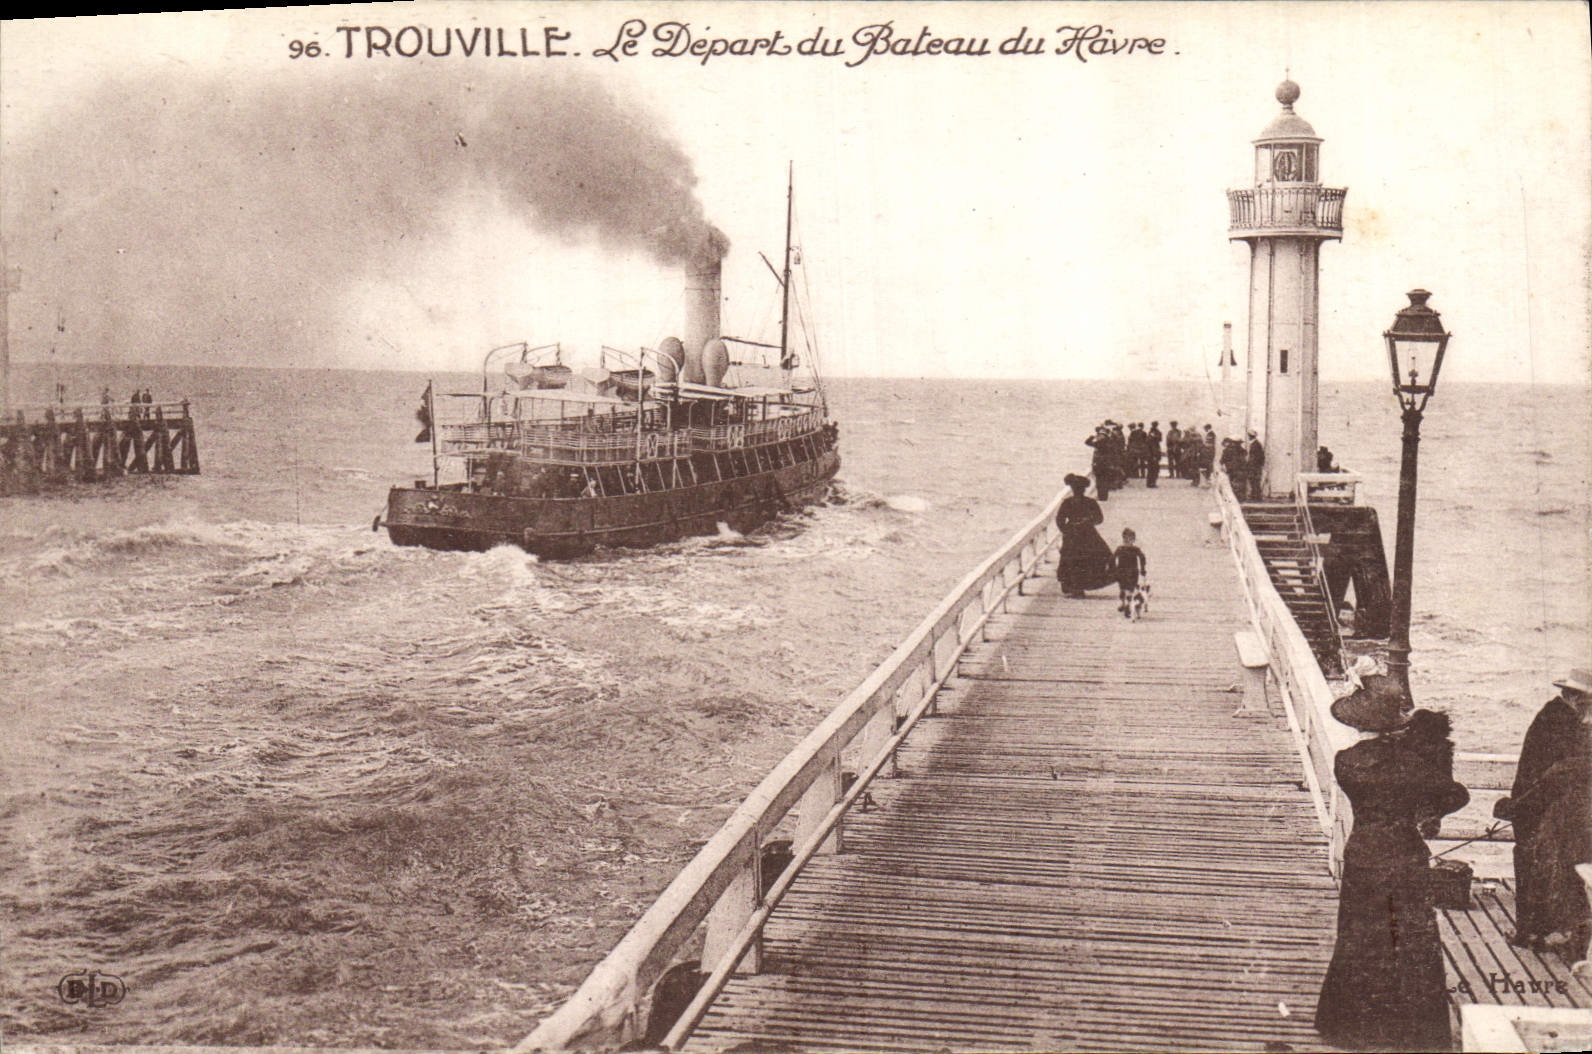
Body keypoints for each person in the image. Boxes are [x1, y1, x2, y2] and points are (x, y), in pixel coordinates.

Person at [1315, 675, 1469, 1052]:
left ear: (1357, 723)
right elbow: (1456, 795)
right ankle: (1414, 1031)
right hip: (1404, 852)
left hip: (1364, 851)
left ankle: (1351, 1026)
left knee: (1360, 934)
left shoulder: (1345, 762)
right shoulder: (1411, 763)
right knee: (1412, 938)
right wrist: (1423, 811)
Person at [1493, 668, 1592, 953]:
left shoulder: (1569, 717)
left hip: (1555, 807)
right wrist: (1519, 808)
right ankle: (1530, 932)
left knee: (1554, 869)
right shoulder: (1556, 719)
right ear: (1573, 696)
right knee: (1534, 866)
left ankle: (1554, 931)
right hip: (1537, 805)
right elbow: (1550, 773)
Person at [1055, 473, 1114, 598]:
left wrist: (1068, 529)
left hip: (1078, 535)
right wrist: (1084, 523)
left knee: (1076, 561)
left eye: (1078, 489)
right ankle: (1077, 587)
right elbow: (1099, 519)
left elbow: (1060, 520)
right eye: (1076, 489)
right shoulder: (1088, 502)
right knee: (1083, 560)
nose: (1077, 492)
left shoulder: (1069, 502)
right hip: (1084, 535)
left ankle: (1076, 587)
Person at [1112, 528, 1147, 620]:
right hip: (1125, 572)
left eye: (1131, 538)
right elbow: (1112, 559)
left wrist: (1143, 568)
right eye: (1127, 538)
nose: (1128, 541)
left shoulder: (1124, 549)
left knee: (1128, 589)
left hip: (1129, 572)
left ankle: (1127, 604)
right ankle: (1125, 603)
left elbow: (1112, 559)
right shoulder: (1124, 549)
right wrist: (1143, 569)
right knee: (1125, 589)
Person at [1245, 430, 1266, 501]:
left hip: (1254, 466)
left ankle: (1256, 497)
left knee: (1254, 481)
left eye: (1249, 436)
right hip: (1256, 466)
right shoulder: (1256, 444)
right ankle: (1256, 496)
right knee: (1255, 481)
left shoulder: (1255, 445)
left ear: (1251, 436)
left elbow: (1254, 457)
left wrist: (1249, 464)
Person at [1146, 422, 1162, 488]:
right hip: (1153, 454)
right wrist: (1155, 455)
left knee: (1152, 469)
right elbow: (1152, 445)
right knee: (1154, 469)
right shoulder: (1153, 433)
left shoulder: (1151, 433)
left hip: (1152, 454)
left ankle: (1150, 482)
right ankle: (1151, 483)